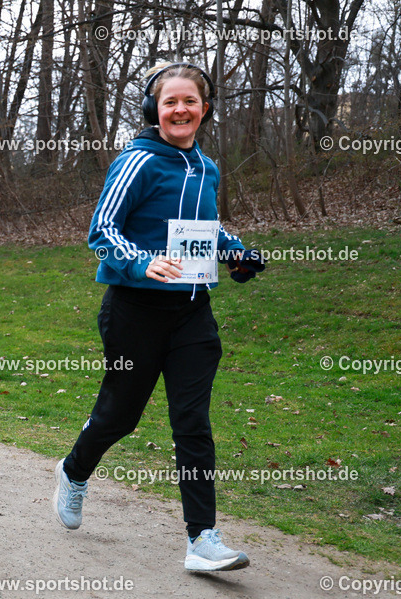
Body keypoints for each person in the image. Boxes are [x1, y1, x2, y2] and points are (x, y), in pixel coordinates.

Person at [52, 63, 266, 571]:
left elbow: (203, 232)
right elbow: (102, 230)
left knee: (191, 421)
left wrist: (236, 252)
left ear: (204, 110)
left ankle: (202, 539)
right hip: (135, 311)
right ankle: (74, 470)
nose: (180, 110)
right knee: (119, 416)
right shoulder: (138, 161)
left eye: (189, 101)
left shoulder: (207, 169)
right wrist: (143, 262)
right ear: (155, 109)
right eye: (170, 101)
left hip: (192, 313)